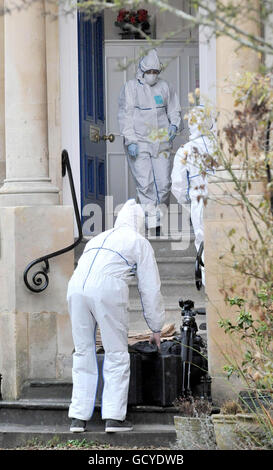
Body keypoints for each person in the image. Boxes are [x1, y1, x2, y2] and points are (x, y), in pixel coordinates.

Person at [67, 199, 165, 433]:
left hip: (75, 287)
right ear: (140, 224)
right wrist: (156, 327)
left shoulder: (98, 238)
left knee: (83, 351)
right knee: (116, 353)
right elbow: (150, 288)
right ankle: (113, 417)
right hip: (108, 289)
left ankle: (78, 418)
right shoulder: (139, 242)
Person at [118, 49, 181, 232]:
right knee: (145, 184)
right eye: (149, 72)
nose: (152, 75)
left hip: (161, 141)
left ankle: (158, 218)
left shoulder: (165, 87)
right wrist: (130, 141)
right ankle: (153, 225)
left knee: (164, 184)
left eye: (155, 72)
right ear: (142, 71)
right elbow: (125, 116)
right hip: (139, 141)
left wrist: (174, 125)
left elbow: (174, 110)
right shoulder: (131, 88)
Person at [171, 106, 215, 282]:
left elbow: (178, 185)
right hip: (224, 198)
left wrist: (187, 204)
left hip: (200, 200)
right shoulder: (222, 146)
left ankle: (208, 288)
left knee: (204, 243)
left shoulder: (185, 150)